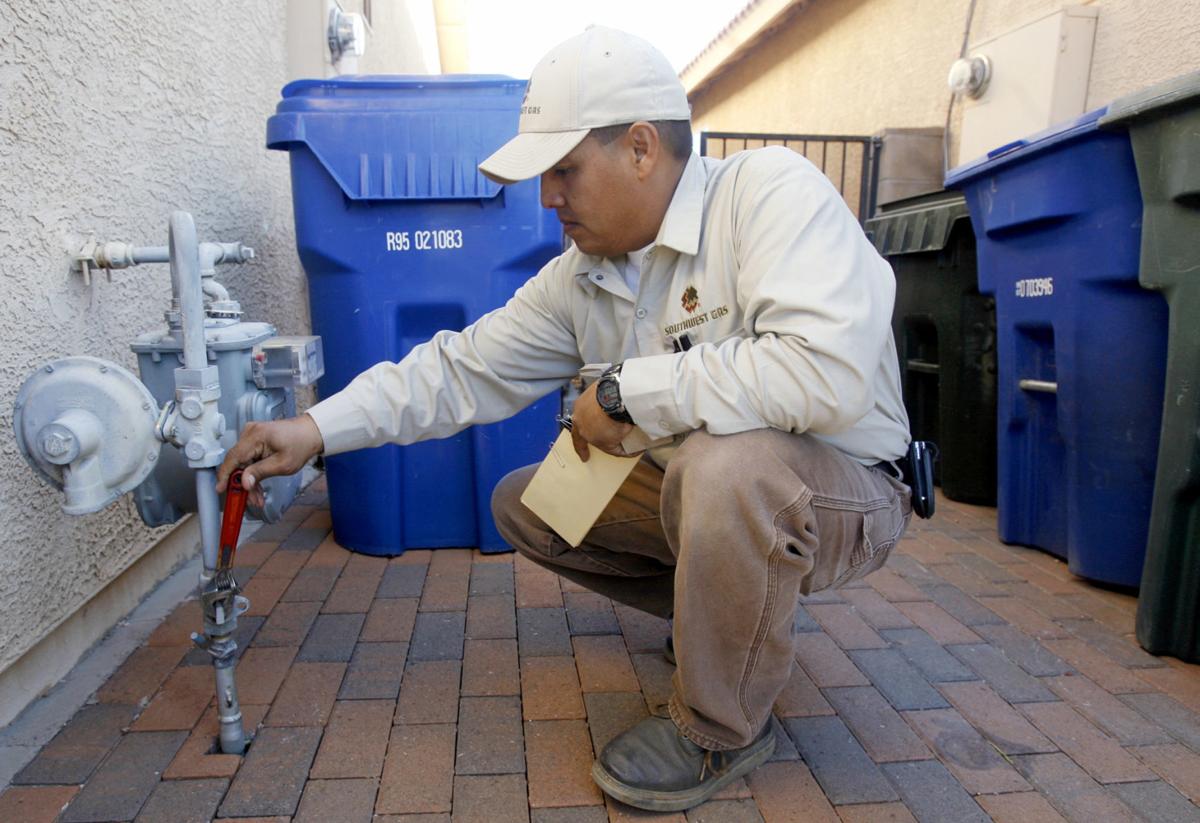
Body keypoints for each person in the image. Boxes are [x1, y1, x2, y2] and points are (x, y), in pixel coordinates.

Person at [218, 25, 911, 812]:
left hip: (847, 489)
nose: (547, 196)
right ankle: (726, 615)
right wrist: (314, 430)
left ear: (641, 148)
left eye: (564, 169)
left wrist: (623, 394)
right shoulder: (582, 276)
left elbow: (825, 372)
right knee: (534, 502)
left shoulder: (767, 195)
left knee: (724, 466)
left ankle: (721, 725)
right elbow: (458, 368)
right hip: (713, 486)